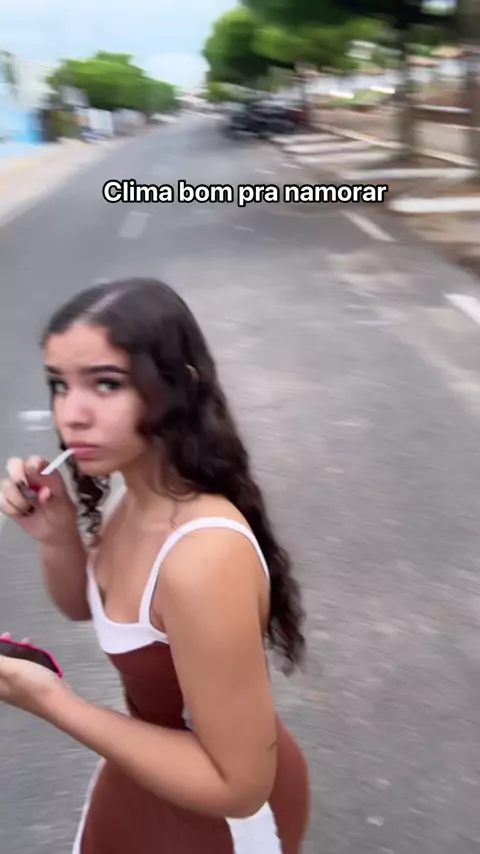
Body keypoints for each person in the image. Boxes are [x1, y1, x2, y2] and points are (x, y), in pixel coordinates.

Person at [0, 278, 310, 853]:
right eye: (59, 384)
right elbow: (85, 605)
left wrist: (48, 700)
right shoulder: (134, 497)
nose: (72, 414)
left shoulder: (202, 556)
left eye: (106, 383)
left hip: (219, 819)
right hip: (144, 771)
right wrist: (58, 535)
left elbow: (239, 787)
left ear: (177, 388)